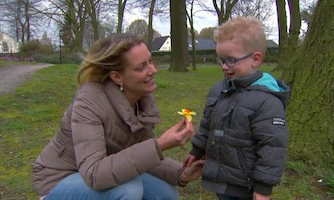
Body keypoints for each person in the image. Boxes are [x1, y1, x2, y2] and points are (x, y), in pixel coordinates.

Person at [32, 33, 204, 200]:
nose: (153, 70)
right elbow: (95, 174)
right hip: (60, 178)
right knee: (129, 190)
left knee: (166, 193)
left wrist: (180, 173)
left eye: (150, 61)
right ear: (117, 77)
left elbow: (137, 155)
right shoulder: (88, 103)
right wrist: (159, 145)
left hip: (105, 169)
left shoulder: (141, 100)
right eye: (141, 67)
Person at [184, 17, 290, 200]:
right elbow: (206, 124)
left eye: (231, 60)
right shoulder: (219, 89)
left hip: (247, 185)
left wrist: (263, 188)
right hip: (222, 178)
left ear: (255, 59)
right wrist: (196, 151)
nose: (224, 67)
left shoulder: (267, 101)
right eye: (221, 60)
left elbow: (272, 146)